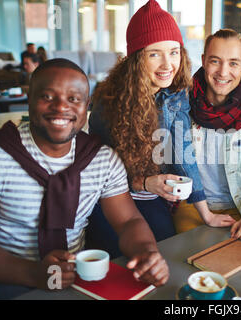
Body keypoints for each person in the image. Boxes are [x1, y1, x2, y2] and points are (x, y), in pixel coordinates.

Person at [0, 58, 169, 299]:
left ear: (86, 107)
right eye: (47, 97)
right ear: (29, 100)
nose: (61, 107)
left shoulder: (102, 159)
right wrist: (34, 273)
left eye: (74, 99)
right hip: (7, 279)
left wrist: (147, 253)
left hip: (75, 280)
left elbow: (129, 221)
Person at [88, 0, 223, 248]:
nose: (167, 64)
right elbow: (97, 168)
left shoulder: (175, 94)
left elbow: (184, 154)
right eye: (154, 54)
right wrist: (144, 182)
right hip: (110, 197)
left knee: (166, 249)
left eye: (173, 52)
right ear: (137, 58)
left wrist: (207, 213)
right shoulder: (108, 100)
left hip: (151, 197)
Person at [173, 29, 241, 240]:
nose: (223, 71)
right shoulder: (180, 105)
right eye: (215, 61)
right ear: (203, 61)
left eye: (233, 63)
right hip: (192, 205)